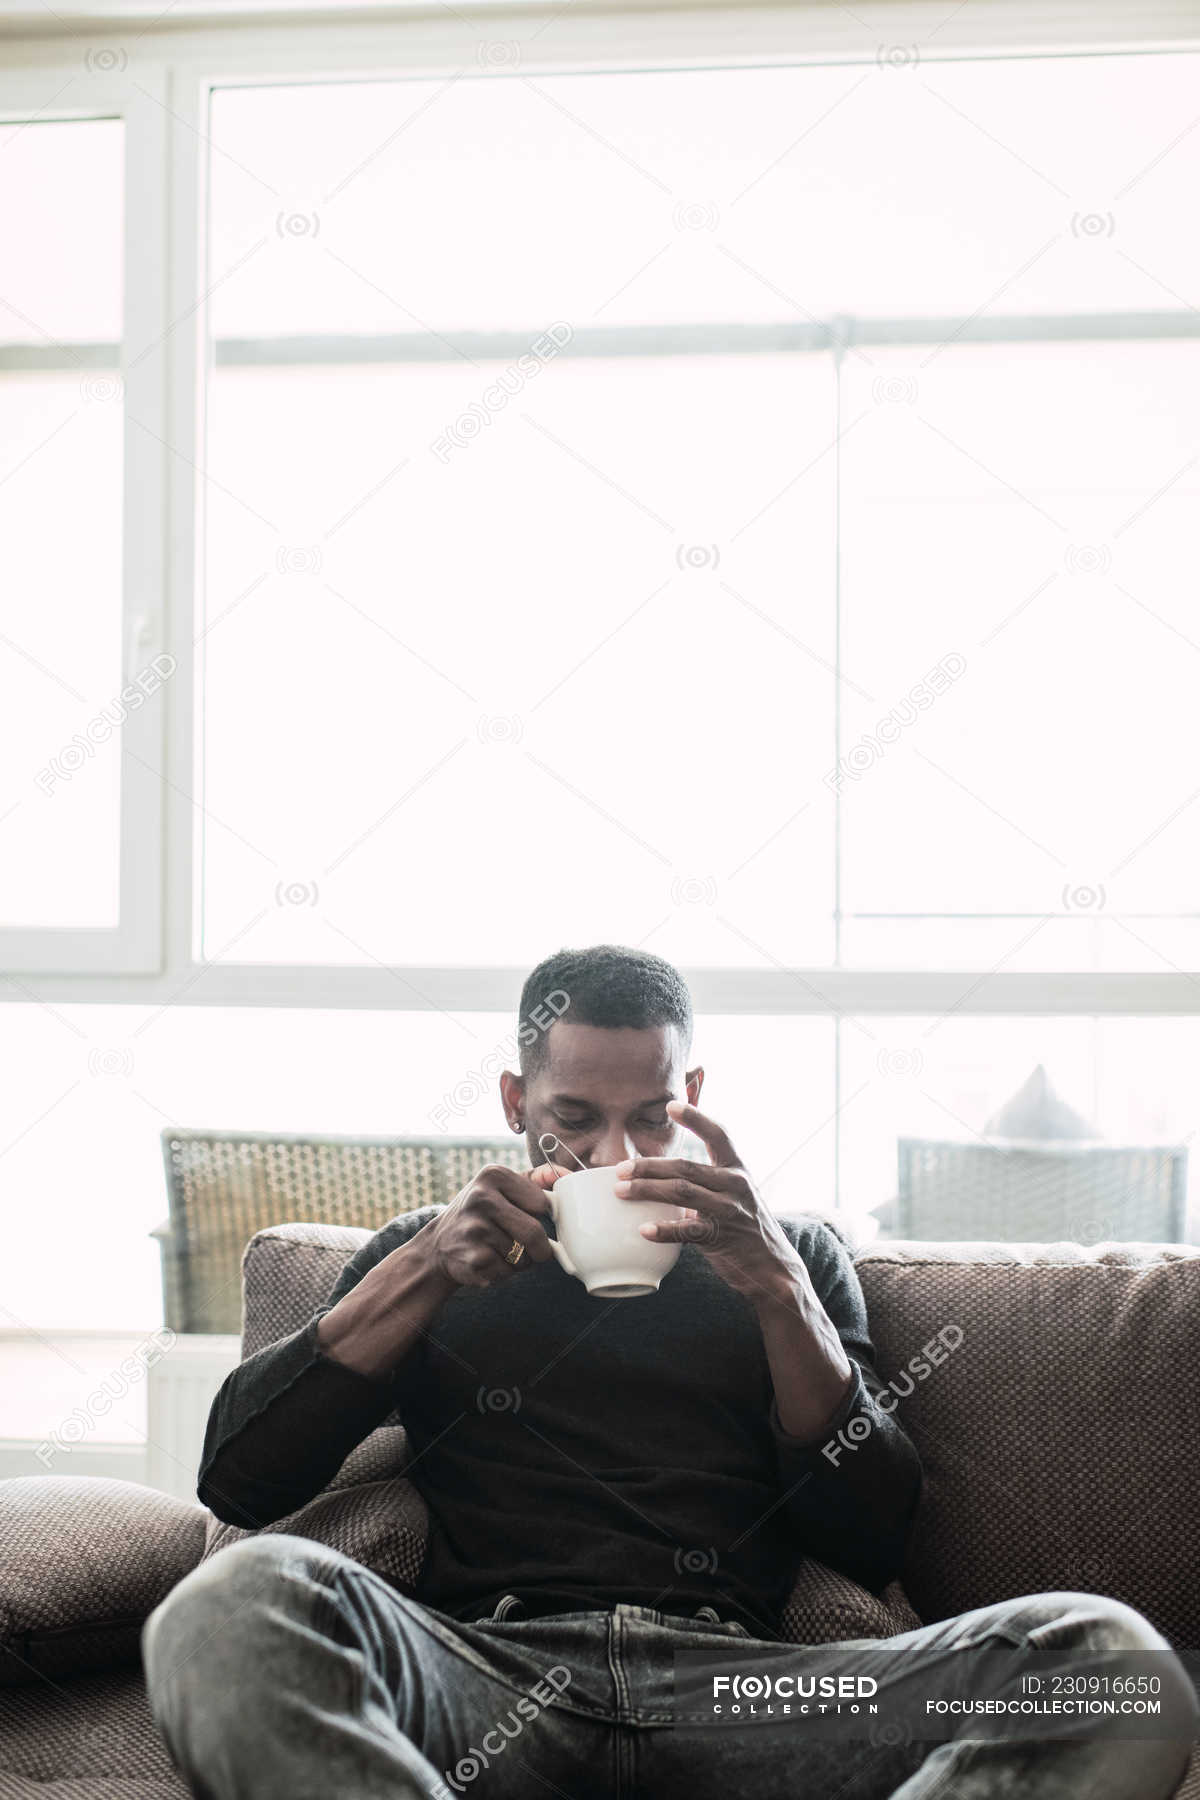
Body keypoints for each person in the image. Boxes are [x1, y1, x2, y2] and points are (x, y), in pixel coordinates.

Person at [143, 945, 1196, 1799]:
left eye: (651, 1116)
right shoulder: (436, 1250)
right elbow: (241, 1480)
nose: (614, 1157)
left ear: (691, 1095)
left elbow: (872, 1534)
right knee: (228, 1602)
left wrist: (776, 1292)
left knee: (1114, 1663)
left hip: (744, 1695)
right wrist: (423, 1269)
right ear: (516, 1101)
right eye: (575, 1120)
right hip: (492, 1676)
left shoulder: (790, 1256)